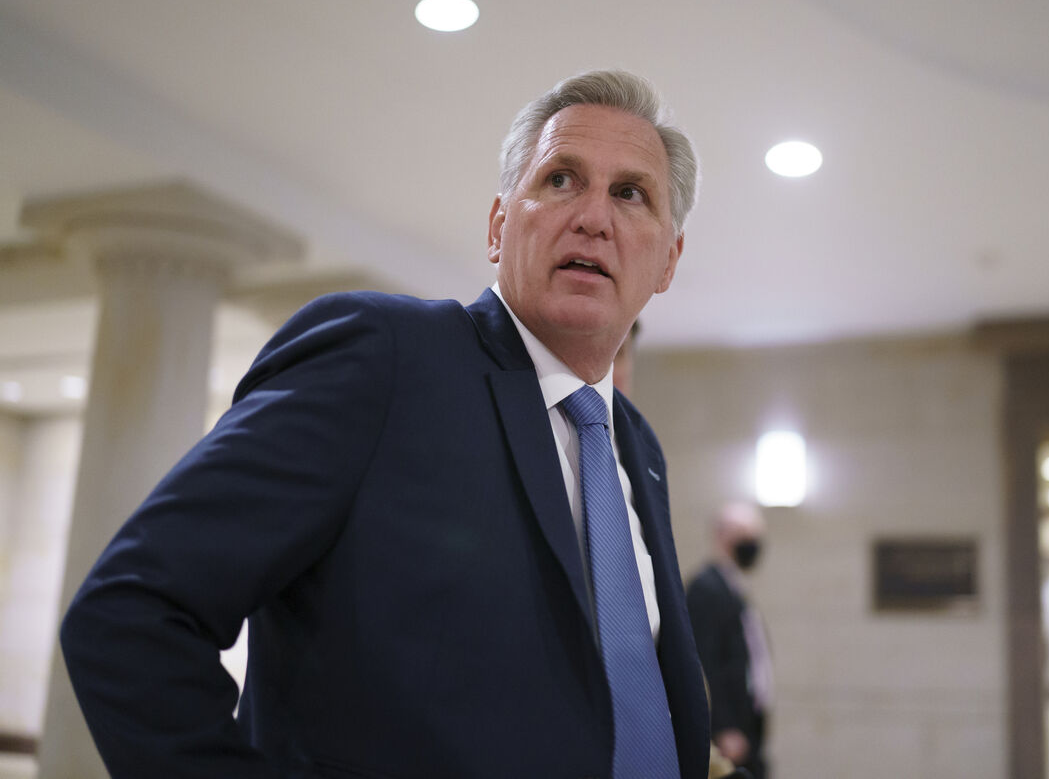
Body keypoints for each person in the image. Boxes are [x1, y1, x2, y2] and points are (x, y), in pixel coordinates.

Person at [59, 69, 710, 779]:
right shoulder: (384, 357)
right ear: (499, 226)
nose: (593, 217)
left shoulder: (636, 446)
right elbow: (131, 613)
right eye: (560, 180)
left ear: (668, 260)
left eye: (630, 193)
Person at [686, 501, 774, 779]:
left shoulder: (733, 587)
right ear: (721, 535)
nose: (752, 544)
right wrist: (723, 727)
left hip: (747, 720)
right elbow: (704, 660)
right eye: (745, 535)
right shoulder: (706, 588)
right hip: (728, 730)